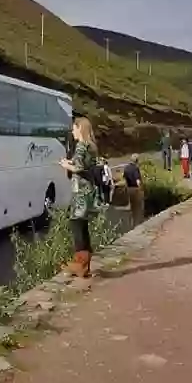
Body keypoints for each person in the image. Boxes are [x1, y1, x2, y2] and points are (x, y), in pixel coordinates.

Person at [58, 117, 103, 278]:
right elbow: (86, 165)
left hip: (81, 193)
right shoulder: (91, 146)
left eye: (74, 128)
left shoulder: (81, 146)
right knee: (83, 226)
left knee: (76, 224)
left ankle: (80, 263)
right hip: (89, 191)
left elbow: (78, 167)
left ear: (79, 128)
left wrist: (66, 165)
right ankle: (84, 265)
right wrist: (72, 162)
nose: (72, 131)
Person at [123, 153, 145, 225]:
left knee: (132, 207)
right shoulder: (135, 168)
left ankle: (132, 223)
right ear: (136, 160)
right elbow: (137, 181)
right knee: (138, 208)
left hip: (129, 189)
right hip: (136, 189)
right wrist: (141, 189)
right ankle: (138, 224)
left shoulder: (126, 168)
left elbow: (125, 179)